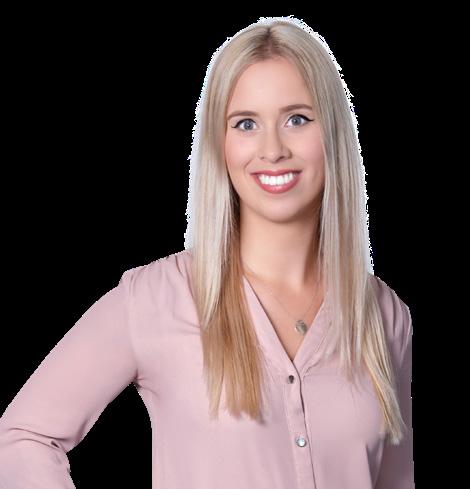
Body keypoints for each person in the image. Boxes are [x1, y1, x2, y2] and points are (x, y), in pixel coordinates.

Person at [0, 16, 414, 488]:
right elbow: (23, 436)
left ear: (333, 133)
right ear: (221, 143)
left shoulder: (385, 317)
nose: (272, 149)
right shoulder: (156, 300)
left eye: (297, 119)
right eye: (246, 124)